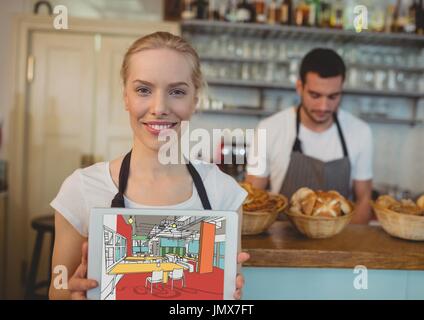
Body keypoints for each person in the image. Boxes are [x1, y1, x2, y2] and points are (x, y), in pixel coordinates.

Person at [49, 32, 249, 299]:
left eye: (177, 92)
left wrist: (229, 299)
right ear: (126, 98)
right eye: (143, 90)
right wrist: (73, 294)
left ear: (194, 101)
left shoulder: (224, 192)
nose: (159, 107)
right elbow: (57, 291)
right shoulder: (81, 188)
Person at [246, 48, 373, 224]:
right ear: (300, 87)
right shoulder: (268, 129)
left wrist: (348, 245)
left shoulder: (360, 132)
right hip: (281, 240)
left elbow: (364, 199)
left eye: (333, 97)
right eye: (315, 95)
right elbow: (251, 199)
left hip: (339, 242)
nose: (323, 106)